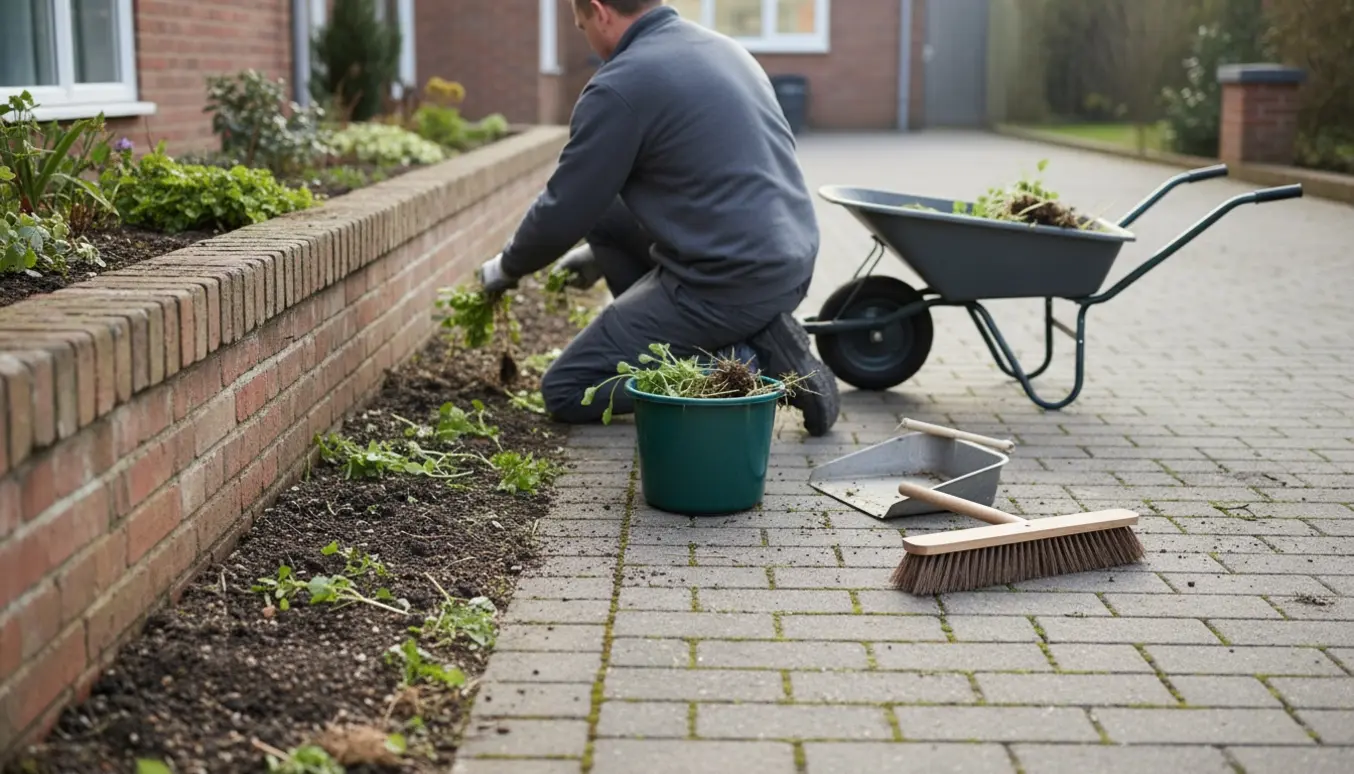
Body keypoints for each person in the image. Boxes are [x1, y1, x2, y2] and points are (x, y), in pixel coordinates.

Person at [475, 0, 839, 436]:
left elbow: (563, 207)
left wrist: (507, 267)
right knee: (605, 211)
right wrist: (594, 255)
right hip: (790, 261)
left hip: (727, 285)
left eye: (581, 26)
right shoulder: (724, 49)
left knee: (568, 388)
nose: (586, 38)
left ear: (600, 12)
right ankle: (699, 337)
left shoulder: (620, 85)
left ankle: (747, 362)